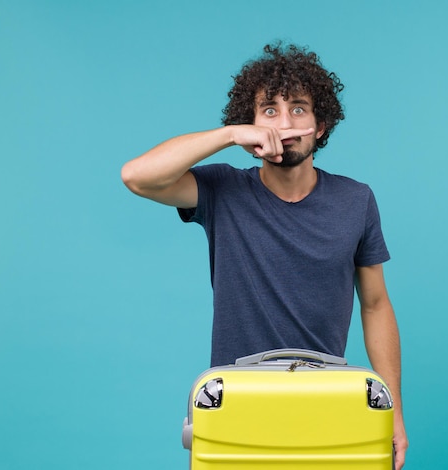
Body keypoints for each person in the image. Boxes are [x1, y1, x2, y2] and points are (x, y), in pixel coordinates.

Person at [121, 42, 408, 468]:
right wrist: (229, 135)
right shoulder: (223, 190)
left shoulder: (356, 200)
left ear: (321, 126)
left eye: (298, 109)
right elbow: (136, 176)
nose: (284, 123)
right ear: (252, 124)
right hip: (238, 402)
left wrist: (394, 412)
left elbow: (375, 304)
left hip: (325, 400)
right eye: (269, 111)